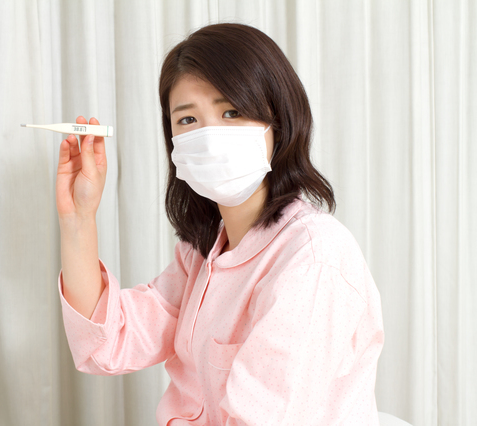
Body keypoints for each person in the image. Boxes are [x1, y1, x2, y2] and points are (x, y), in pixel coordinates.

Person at [55, 23, 384, 425]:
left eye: (231, 112)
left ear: (278, 120)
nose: (209, 137)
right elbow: (108, 343)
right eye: (188, 120)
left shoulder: (313, 262)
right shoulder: (203, 254)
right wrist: (78, 218)